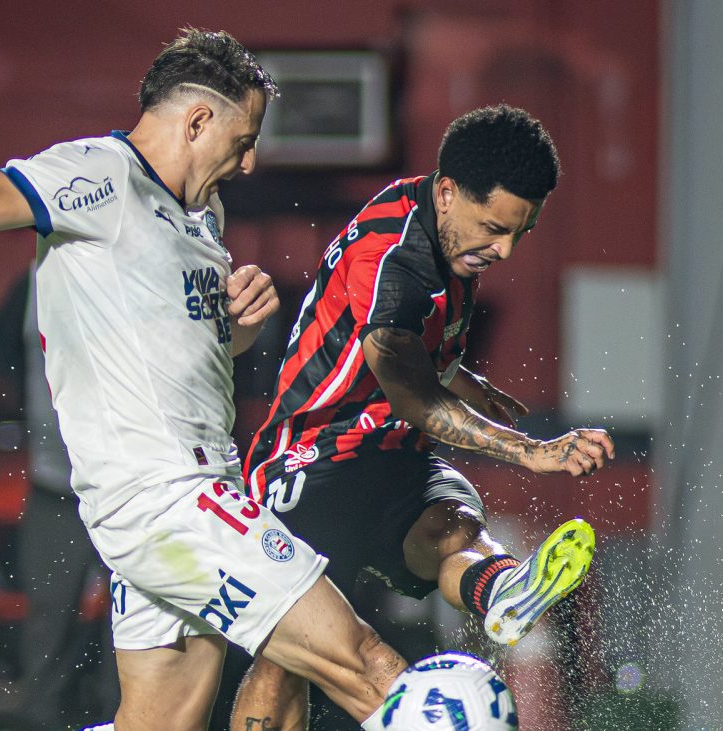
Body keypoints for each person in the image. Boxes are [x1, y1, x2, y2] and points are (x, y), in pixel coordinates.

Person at [0, 28, 426, 731]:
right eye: (243, 140)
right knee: (366, 662)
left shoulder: (204, 215)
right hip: (169, 500)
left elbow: (200, 350)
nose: (249, 161)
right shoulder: (99, 175)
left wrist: (239, 324)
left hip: (191, 495)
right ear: (197, 121)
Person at [231, 104, 615, 730]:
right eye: (495, 228)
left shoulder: (450, 239)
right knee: (288, 661)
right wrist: (530, 450)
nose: (505, 249)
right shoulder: (394, 253)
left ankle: (502, 590)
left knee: (454, 525)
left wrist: (468, 381)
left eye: (521, 232)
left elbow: (411, 347)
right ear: (447, 192)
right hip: (313, 464)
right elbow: (409, 391)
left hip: (390, 458)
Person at [0, 263, 118, 728]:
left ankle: (124, 720)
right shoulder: (32, 281)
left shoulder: (129, 268)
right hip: (54, 485)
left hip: (127, 486)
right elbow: (3, 355)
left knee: (134, 629)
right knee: (47, 626)